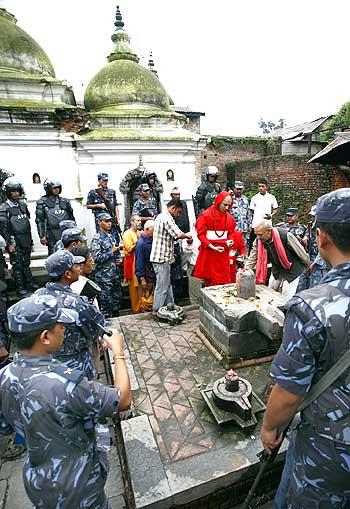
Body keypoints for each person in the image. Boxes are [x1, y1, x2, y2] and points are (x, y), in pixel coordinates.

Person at [260, 188, 350, 508]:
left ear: (322, 237)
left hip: (330, 453)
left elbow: (287, 394)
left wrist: (270, 428)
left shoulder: (312, 307)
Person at [0, 294, 131, 509]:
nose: (64, 328)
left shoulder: (5, 375)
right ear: (45, 337)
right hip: (79, 487)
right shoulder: (65, 383)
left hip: (39, 481)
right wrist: (118, 351)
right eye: (60, 325)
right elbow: (123, 399)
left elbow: (6, 425)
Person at [35, 250, 104, 380]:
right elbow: (97, 328)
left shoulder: (38, 296)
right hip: (76, 364)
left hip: (48, 362)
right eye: (76, 266)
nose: (79, 268)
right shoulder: (77, 302)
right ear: (67, 274)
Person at [245, 219, 310, 299]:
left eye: (260, 234)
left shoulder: (285, 236)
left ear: (268, 231)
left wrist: (308, 265)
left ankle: (285, 311)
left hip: (293, 269)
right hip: (277, 269)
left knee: (286, 296)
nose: (258, 237)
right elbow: (253, 256)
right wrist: (246, 270)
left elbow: (301, 252)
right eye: (256, 234)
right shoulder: (258, 241)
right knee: (269, 293)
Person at [150, 200, 192, 317]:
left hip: (163, 257)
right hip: (161, 258)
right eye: (178, 212)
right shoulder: (166, 218)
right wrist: (189, 235)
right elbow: (178, 234)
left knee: (167, 285)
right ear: (173, 208)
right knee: (162, 286)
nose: (178, 215)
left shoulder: (160, 216)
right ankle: (157, 311)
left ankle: (170, 305)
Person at [0, 177, 37, 296]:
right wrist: (8, 244)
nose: (16, 193)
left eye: (17, 191)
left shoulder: (23, 205)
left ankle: (29, 284)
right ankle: (20, 288)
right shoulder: (4, 208)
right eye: (13, 191)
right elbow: (4, 228)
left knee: (26, 263)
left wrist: (30, 241)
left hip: (25, 239)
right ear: (8, 192)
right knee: (17, 265)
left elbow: (27, 224)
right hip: (13, 240)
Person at [193, 192, 236, 287]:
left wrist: (230, 240)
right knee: (208, 280)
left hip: (222, 253)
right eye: (225, 205)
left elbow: (231, 233)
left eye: (229, 205)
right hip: (209, 252)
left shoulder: (230, 218)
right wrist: (212, 246)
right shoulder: (205, 215)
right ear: (218, 202)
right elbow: (201, 234)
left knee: (224, 280)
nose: (227, 208)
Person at [70, 246, 100, 373]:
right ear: (81, 266)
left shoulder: (79, 282)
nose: (92, 263)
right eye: (90, 260)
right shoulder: (80, 286)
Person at [91, 213, 123, 318]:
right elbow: (96, 258)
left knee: (117, 300)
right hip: (104, 277)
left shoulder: (111, 236)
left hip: (115, 274)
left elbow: (116, 252)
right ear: (99, 222)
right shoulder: (97, 239)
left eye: (110, 221)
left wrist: (119, 258)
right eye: (106, 221)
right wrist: (112, 252)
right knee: (106, 303)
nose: (109, 224)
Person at [36, 178, 75, 255]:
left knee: (68, 253)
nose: (57, 190)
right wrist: (42, 235)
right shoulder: (42, 202)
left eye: (58, 187)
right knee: (54, 254)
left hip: (65, 232)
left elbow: (71, 218)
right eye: (54, 188)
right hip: (51, 233)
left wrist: (73, 231)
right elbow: (40, 220)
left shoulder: (65, 201)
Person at [86, 172, 121, 242]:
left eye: (106, 180)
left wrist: (118, 218)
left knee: (115, 238)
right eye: (103, 180)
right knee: (102, 239)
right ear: (99, 180)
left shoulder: (112, 191)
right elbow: (88, 206)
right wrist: (99, 205)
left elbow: (116, 205)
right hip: (101, 220)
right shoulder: (93, 192)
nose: (105, 182)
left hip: (111, 218)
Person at [249, 177, 279, 252]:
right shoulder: (254, 198)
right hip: (256, 225)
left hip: (267, 225)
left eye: (263, 186)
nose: (261, 188)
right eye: (259, 186)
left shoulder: (271, 197)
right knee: (254, 244)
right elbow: (251, 211)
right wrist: (253, 221)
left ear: (266, 187)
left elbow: (276, 208)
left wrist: (271, 215)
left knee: (267, 244)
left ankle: (268, 259)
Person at [122, 215, 141, 313]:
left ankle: (142, 307)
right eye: (137, 220)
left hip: (139, 262)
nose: (139, 222)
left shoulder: (138, 232)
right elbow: (129, 249)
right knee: (134, 288)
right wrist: (139, 241)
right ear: (132, 222)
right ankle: (136, 310)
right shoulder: (127, 234)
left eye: (140, 220)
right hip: (132, 263)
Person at [135, 219, 155, 312]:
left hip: (151, 272)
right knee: (145, 297)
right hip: (146, 274)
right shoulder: (141, 243)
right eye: (153, 230)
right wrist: (142, 278)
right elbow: (139, 262)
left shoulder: (150, 240)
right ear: (147, 229)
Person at [230, 181, 251, 245]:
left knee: (242, 247)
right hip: (233, 229)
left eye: (240, 189)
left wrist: (250, 225)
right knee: (233, 247)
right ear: (234, 189)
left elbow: (248, 214)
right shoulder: (230, 199)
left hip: (243, 229)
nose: (239, 191)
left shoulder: (245, 200)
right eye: (237, 189)